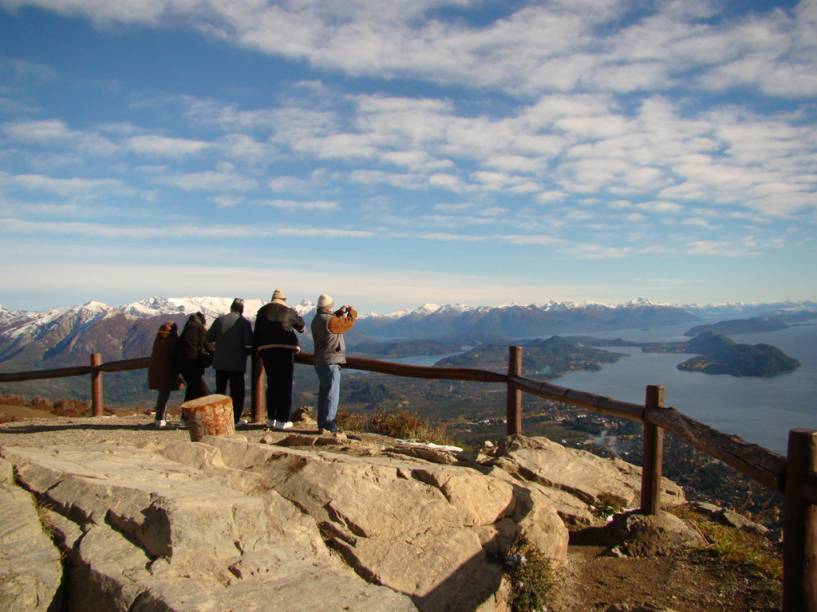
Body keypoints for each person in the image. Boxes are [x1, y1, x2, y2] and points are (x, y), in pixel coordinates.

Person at [254, 289, 305, 430]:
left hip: (266, 350)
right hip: (285, 349)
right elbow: (300, 325)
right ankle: (283, 419)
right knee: (285, 384)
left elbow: (256, 332)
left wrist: (258, 348)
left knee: (272, 384)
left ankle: (271, 418)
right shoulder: (288, 311)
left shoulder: (262, 311)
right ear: (284, 299)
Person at [311, 294, 357, 433]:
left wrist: (339, 313)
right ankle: (328, 424)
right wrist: (352, 313)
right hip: (330, 361)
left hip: (320, 361)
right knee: (332, 394)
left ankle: (322, 423)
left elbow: (331, 320)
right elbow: (346, 324)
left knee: (324, 394)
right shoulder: (330, 321)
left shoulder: (316, 319)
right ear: (329, 307)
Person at [206, 299, 254, 425]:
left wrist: (214, 351)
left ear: (231, 308)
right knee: (237, 393)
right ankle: (235, 419)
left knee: (220, 391)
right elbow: (249, 342)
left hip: (220, 363)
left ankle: (217, 418)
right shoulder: (244, 323)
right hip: (237, 364)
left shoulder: (219, 320)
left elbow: (208, 338)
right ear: (241, 309)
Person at [147, 321, 183, 428]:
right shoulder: (172, 341)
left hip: (157, 370)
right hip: (167, 371)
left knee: (163, 394)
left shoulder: (159, 339)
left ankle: (160, 418)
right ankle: (160, 419)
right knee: (164, 394)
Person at [176, 312, 212, 412]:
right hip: (193, 364)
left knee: (192, 389)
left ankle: (186, 416)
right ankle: (212, 413)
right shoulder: (199, 329)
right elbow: (208, 346)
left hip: (183, 366)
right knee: (203, 391)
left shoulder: (186, 330)